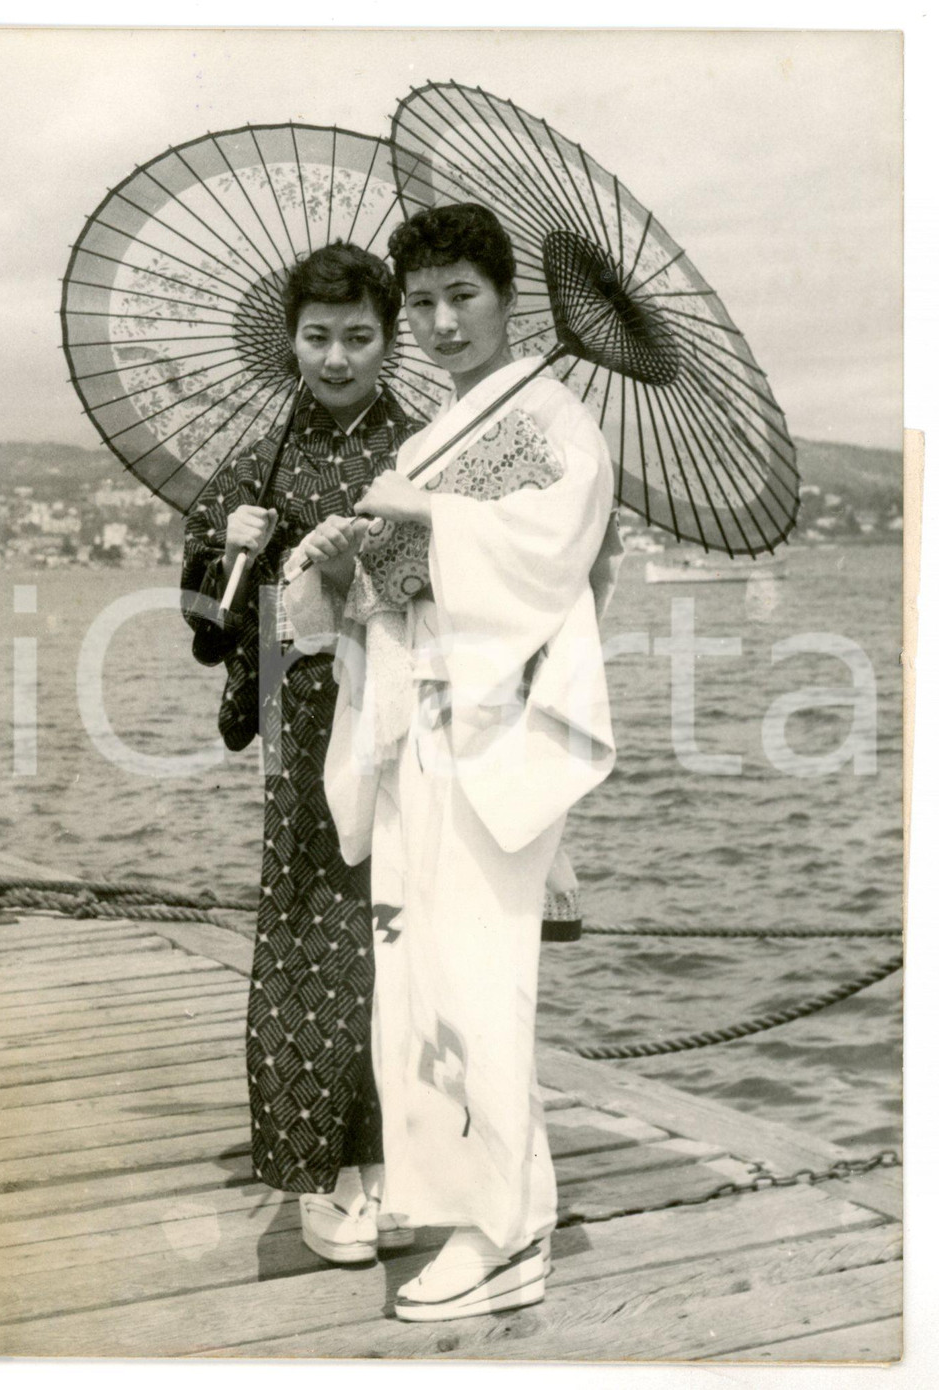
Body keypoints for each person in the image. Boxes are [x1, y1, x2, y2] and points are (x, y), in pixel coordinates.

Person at [286, 204, 622, 1319]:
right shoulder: (449, 425)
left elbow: (550, 558)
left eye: (459, 299)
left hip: (492, 730)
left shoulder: (553, 422)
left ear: (505, 297)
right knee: (422, 988)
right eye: (419, 303)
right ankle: (474, 1208)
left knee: (482, 981)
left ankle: (509, 1230)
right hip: (420, 731)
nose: (436, 324)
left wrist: (423, 513)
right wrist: (347, 566)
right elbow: (402, 585)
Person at [180, 242, 421, 1265]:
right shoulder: (256, 467)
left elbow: (458, 584)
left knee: (402, 929)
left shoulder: (424, 450)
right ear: (291, 340)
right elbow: (202, 625)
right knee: (310, 928)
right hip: (305, 715)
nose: (336, 356)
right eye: (318, 336)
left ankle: (400, 1160)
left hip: (406, 709)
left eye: (358, 336)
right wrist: (223, 553)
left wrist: (382, 554)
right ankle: (321, 1173)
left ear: (388, 338)